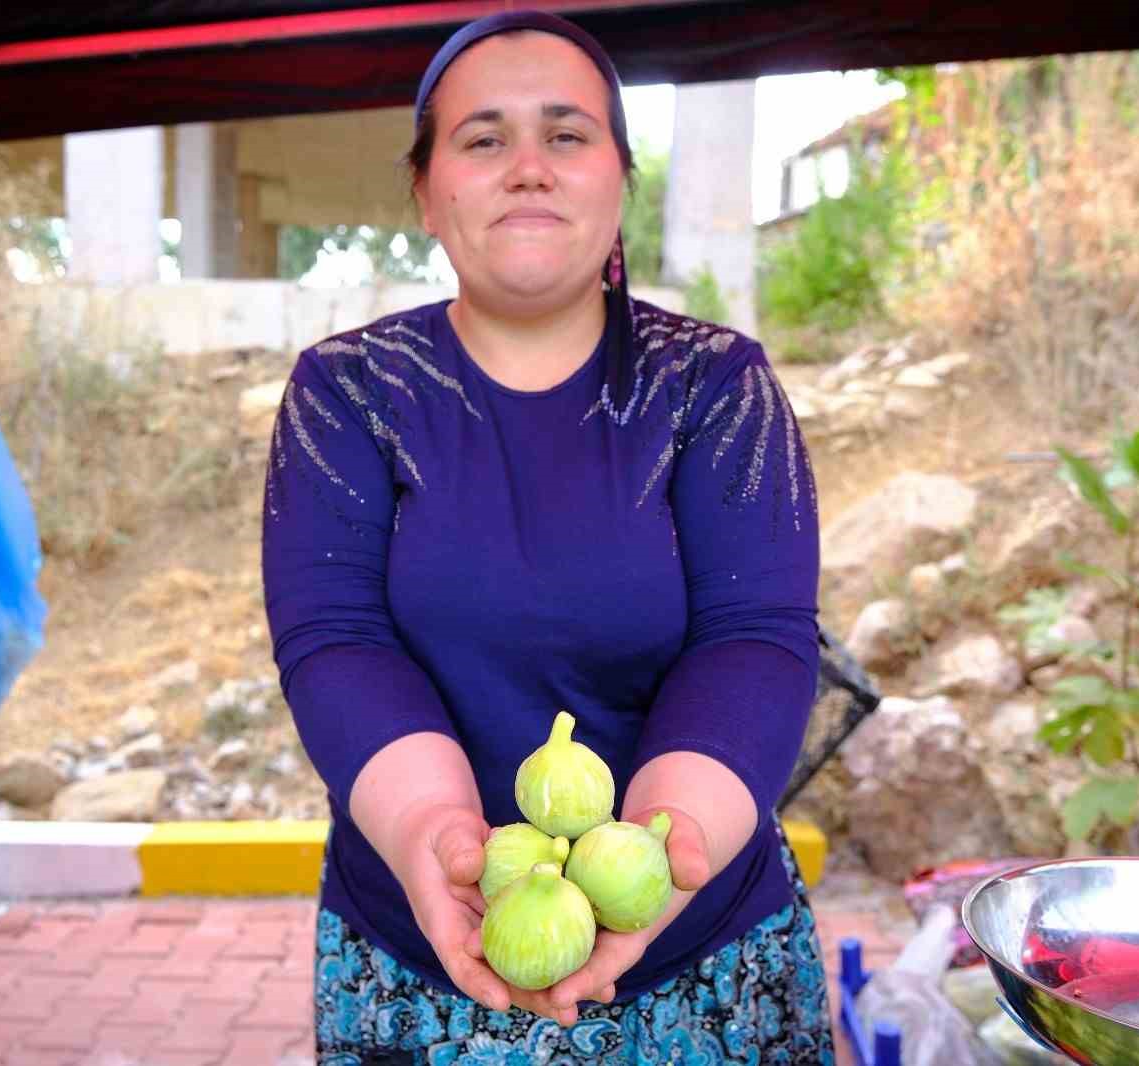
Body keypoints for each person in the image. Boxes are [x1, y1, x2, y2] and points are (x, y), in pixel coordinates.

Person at [262, 11, 830, 1063]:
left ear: (619, 178)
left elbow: (754, 634)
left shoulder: (716, 384)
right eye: (482, 139)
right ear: (427, 194)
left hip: (703, 951)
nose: (527, 166)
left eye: (566, 135)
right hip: (422, 943)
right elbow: (334, 639)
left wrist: (664, 847)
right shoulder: (344, 392)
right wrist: (436, 834)